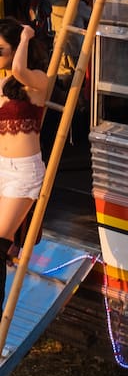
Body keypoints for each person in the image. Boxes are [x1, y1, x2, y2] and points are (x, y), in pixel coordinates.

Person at [0, 21, 50, 312]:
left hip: (24, 172)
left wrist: (26, 36)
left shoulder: (38, 80)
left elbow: (19, 70)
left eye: (1, 50)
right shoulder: (3, 82)